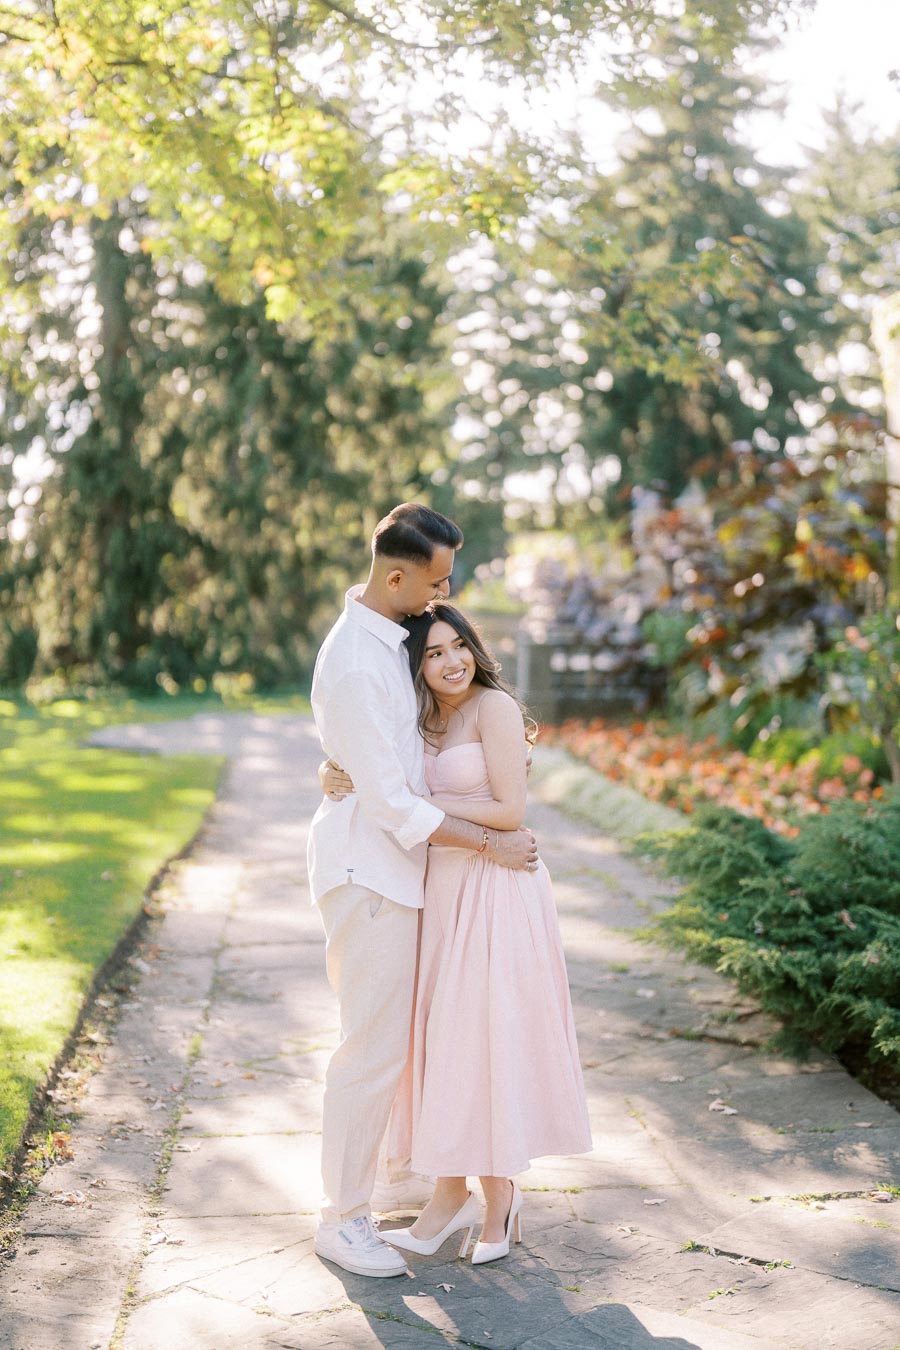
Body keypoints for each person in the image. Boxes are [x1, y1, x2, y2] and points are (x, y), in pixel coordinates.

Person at [308, 504, 539, 1280]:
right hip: (368, 871)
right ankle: (342, 1219)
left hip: (404, 872)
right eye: (438, 578)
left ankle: (407, 1176)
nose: (449, 591)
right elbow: (394, 803)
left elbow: (402, 751)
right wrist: (494, 842)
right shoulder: (354, 658)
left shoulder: (397, 638)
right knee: (370, 1051)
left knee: (407, 1040)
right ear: (397, 575)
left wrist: (336, 767)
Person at [324, 603, 592, 1267]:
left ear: (475, 648)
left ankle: (499, 1197)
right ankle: (448, 1195)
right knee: (445, 1042)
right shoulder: (419, 718)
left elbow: (509, 810)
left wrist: (402, 802)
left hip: (495, 886)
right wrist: (336, 775)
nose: (452, 661)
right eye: (434, 653)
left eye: (459, 646)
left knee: (485, 1035)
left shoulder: (492, 708)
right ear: (417, 666)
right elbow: (368, 761)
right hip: (440, 889)